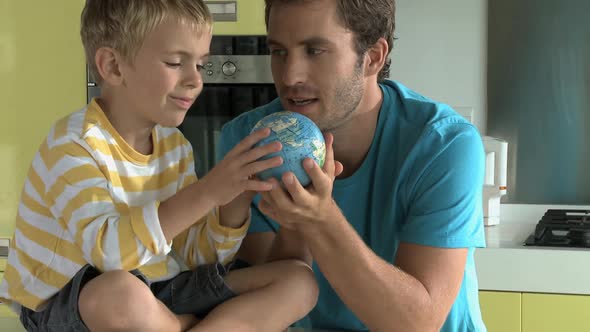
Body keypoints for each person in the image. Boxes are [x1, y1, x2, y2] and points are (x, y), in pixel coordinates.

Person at [0, 0, 320, 331]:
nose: (195, 80)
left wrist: (235, 198)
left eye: (200, 65)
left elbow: (198, 258)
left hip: (159, 289)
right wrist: (208, 192)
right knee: (119, 292)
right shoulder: (72, 145)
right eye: (175, 62)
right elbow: (108, 255)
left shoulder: (174, 147)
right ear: (113, 66)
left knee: (299, 280)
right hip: (70, 304)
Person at [218, 0, 487, 331]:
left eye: (315, 50)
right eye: (279, 52)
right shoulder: (247, 141)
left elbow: (417, 323)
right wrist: (297, 218)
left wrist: (321, 219)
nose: (290, 76)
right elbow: (270, 303)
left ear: (373, 56)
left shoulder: (442, 145)